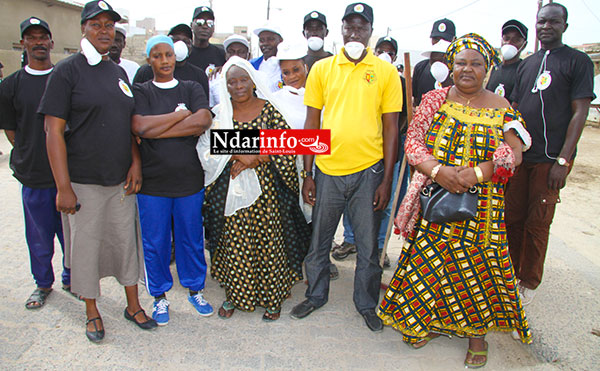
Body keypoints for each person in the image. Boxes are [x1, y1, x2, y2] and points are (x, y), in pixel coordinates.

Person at [381, 33, 532, 368]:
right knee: (432, 264)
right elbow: (414, 144)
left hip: (483, 206)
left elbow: (514, 154)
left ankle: (476, 336)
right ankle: (433, 322)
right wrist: (438, 171)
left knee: (475, 269)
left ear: (487, 69)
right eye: (461, 63)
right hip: (437, 199)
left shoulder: (502, 106)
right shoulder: (435, 99)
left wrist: (474, 174)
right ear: (451, 66)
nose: (467, 69)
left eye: (476, 63)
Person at [39, 0, 157, 342]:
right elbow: (53, 132)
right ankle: (91, 312)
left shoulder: (118, 72)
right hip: (83, 182)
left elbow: (127, 125)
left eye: (110, 25)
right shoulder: (67, 71)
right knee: (87, 249)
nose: (105, 31)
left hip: (120, 180)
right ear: (83, 29)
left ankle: (133, 305)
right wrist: (63, 187)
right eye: (97, 24)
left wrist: (135, 162)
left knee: (125, 245)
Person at [290, 3, 402, 332]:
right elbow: (312, 123)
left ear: (371, 31)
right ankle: (316, 294)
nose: (355, 33)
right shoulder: (323, 69)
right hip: (327, 170)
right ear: (341, 30)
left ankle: (367, 304)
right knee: (320, 241)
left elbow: (391, 128)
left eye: (361, 28)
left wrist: (387, 179)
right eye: (349, 27)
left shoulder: (385, 72)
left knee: (368, 245)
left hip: (369, 172)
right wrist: (308, 173)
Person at [198, 57, 311, 321]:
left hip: (268, 194)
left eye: (243, 79)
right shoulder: (220, 114)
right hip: (231, 192)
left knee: (268, 241)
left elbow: (288, 146)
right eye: (232, 81)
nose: (238, 86)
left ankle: (272, 298)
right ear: (225, 86)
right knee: (234, 241)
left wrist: (257, 157)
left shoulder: (269, 110)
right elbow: (206, 149)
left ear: (253, 81)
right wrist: (239, 153)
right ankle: (237, 295)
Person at [506, 2, 595, 305]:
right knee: (512, 217)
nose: (546, 27)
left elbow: (579, 112)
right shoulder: (527, 63)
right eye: (542, 21)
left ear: (564, 27)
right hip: (522, 158)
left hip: (550, 159)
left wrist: (563, 160)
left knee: (538, 221)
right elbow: (515, 110)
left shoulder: (577, 61)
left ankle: (528, 282)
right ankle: (511, 275)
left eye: (553, 22)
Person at [131, 35, 213, 325]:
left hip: (189, 179)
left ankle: (195, 289)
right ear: (149, 60)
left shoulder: (191, 87)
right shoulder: (140, 90)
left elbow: (202, 120)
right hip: (152, 183)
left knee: (191, 238)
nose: (164, 61)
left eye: (168, 55)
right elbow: (138, 125)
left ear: (175, 57)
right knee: (156, 242)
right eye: (157, 56)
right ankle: (159, 296)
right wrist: (179, 118)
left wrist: (155, 130)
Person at [0, 17, 72, 310]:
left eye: (43, 37)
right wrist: (31, 153)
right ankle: (43, 283)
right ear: (23, 43)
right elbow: (11, 131)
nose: (39, 42)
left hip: (69, 175)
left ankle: (73, 279)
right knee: (39, 236)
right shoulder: (10, 85)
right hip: (34, 177)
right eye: (32, 37)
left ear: (51, 43)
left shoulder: (67, 78)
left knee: (71, 236)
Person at [273, 41, 339, 280]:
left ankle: (322, 257)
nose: (292, 76)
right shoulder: (274, 99)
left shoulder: (323, 94)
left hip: (318, 162)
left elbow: (325, 131)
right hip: (286, 165)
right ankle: (293, 257)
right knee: (290, 213)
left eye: (296, 70)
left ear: (306, 68)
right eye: (286, 72)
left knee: (320, 211)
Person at [133, 24, 208, 97]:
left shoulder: (198, 75)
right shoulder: (146, 71)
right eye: (175, 40)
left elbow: (204, 106)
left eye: (186, 41)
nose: (180, 44)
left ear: (191, 48)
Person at [412, 18, 456, 106]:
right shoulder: (420, 68)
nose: (440, 43)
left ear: (454, 40)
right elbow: (416, 100)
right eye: (436, 39)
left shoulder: (459, 71)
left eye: (445, 39)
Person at [485, 20, 528, 103]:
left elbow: (517, 103)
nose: (509, 43)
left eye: (516, 40)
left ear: (524, 45)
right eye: (506, 39)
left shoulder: (523, 71)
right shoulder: (495, 68)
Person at [208, 34, 250, 108]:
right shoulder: (214, 77)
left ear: (248, 56)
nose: (235, 56)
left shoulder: (257, 77)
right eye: (231, 52)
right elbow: (211, 107)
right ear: (225, 55)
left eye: (241, 52)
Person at [188, 6, 226, 75]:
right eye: (200, 22)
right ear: (191, 25)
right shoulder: (186, 53)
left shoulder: (221, 54)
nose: (205, 26)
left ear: (213, 28)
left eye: (210, 23)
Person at [250, 23, 283, 92]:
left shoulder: (287, 64)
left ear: (280, 41)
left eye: (270, 39)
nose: (265, 43)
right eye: (262, 40)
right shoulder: (251, 65)